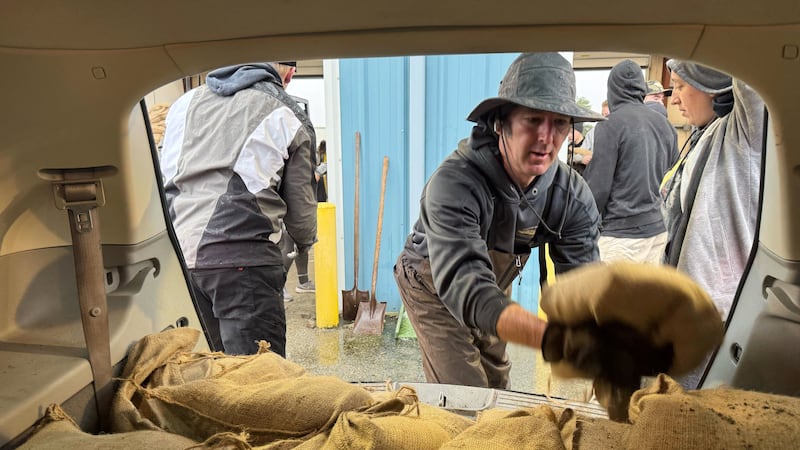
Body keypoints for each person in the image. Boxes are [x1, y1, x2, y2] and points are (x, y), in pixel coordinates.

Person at [393, 52, 609, 389]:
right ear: (500, 123)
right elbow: (468, 287)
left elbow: (579, 289)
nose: (546, 138)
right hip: (434, 279)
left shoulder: (572, 197)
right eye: (533, 120)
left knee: (497, 384)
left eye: (560, 123)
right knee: (465, 393)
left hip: (492, 282)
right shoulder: (455, 184)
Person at [160, 61, 318, 357]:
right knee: (257, 379)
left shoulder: (183, 105)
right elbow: (301, 215)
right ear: (289, 72)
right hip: (244, 265)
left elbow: (166, 180)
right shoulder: (287, 111)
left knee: (210, 370)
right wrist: (305, 242)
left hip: (184, 260)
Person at [662, 59, 764, 387]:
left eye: (679, 85)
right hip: (683, 307)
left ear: (711, 83)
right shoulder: (703, 134)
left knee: (687, 418)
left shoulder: (744, 130)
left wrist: (699, 47)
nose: (673, 99)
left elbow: (750, 63)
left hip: (711, 313)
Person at [583, 60, 678, 264]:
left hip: (621, 236)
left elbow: (598, 188)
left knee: (613, 297)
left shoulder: (610, 125)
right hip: (658, 232)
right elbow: (673, 180)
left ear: (612, 90)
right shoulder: (665, 126)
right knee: (648, 296)